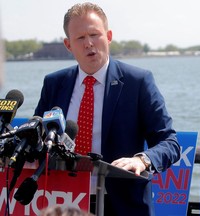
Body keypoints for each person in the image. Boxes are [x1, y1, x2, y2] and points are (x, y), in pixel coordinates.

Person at [34, 2, 180, 216]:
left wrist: (141, 160)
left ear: (109, 36)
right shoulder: (54, 83)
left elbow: (170, 143)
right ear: (68, 45)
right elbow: (38, 137)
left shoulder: (137, 82)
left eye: (95, 34)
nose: (89, 44)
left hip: (120, 204)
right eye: (80, 38)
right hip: (63, 201)